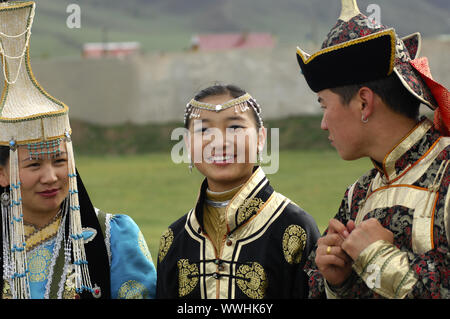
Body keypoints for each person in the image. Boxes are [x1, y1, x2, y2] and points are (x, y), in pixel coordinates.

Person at [0, 1, 156, 299]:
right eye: (34, 165)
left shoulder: (113, 237)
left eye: (60, 160)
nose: (51, 176)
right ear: (3, 174)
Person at [295, 0, 450, 298]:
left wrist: (378, 257)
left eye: (325, 106)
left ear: (364, 103)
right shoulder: (359, 194)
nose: (324, 124)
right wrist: (336, 282)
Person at [156, 84, 320, 299]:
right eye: (204, 130)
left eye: (234, 128)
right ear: (187, 144)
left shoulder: (294, 228)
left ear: (261, 138)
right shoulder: (175, 239)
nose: (220, 142)